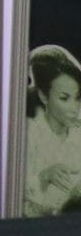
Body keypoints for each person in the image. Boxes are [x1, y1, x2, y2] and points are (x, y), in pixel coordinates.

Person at [25, 46, 81, 217]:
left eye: (78, 98)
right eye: (64, 98)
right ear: (43, 96)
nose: (75, 108)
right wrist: (43, 177)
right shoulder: (26, 135)